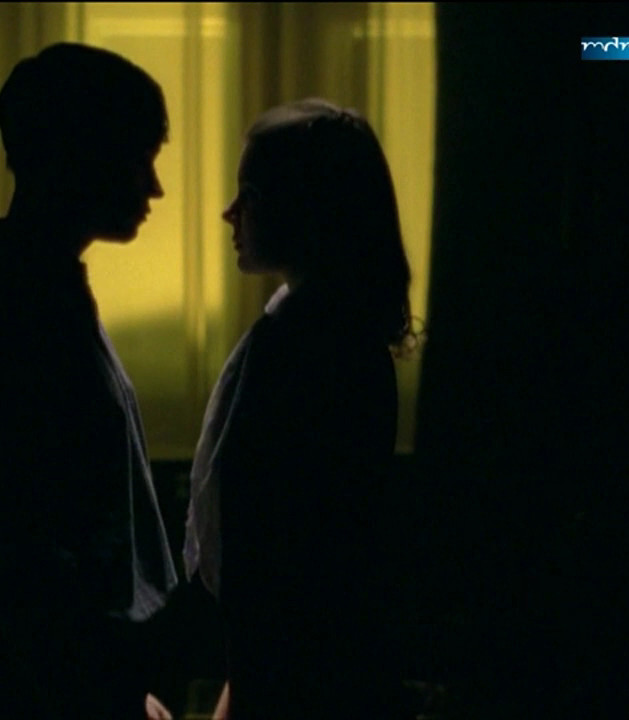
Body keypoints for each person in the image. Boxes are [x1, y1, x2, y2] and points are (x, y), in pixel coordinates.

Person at [0, 43, 178, 719]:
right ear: (83, 155)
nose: (154, 188)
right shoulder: (15, 308)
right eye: (139, 158)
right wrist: (100, 693)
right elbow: (12, 554)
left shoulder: (36, 293)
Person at [182, 99, 420, 718]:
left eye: (251, 194)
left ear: (304, 208)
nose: (230, 212)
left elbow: (277, 574)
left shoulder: (304, 350)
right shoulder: (327, 336)